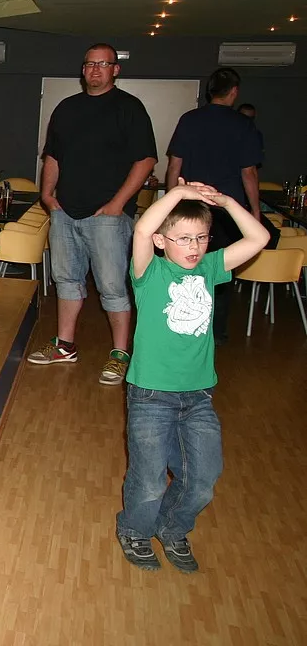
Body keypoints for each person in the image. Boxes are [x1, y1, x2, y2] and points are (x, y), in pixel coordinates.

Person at [115, 179, 267, 573]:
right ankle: (135, 529)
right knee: (149, 479)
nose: (194, 246)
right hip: (151, 395)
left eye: (201, 237)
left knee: (202, 478)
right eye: (183, 238)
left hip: (198, 396)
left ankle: (171, 527)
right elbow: (142, 229)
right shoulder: (150, 273)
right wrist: (177, 195)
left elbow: (259, 238)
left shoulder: (210, 268)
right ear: (162, 242)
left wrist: (226, 202)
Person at [28, 43, 157, 386]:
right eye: (90, 64)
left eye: (103, 64)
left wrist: (117, 204)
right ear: (82, 69)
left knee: (112, 287)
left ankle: (120, 355)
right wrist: (47, 194)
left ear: (115, 69)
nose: (95, 70)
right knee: (66, 281)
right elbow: (53, 156)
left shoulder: (129, 108)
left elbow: (146, 160)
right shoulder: (66, 108)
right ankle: (65, 346)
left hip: (108, 217)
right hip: (65, 212)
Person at [165, 68, 267, 342]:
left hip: (191, 209)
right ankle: (215, 333)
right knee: (220, 271)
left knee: (183, 265)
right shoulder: (243, 124)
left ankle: (180, 323)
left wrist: (171, 202)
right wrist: (255, 210)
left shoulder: (189, 119)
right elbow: (249, 173)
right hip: (226, 211)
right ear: (234, 92)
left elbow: (174, 166)